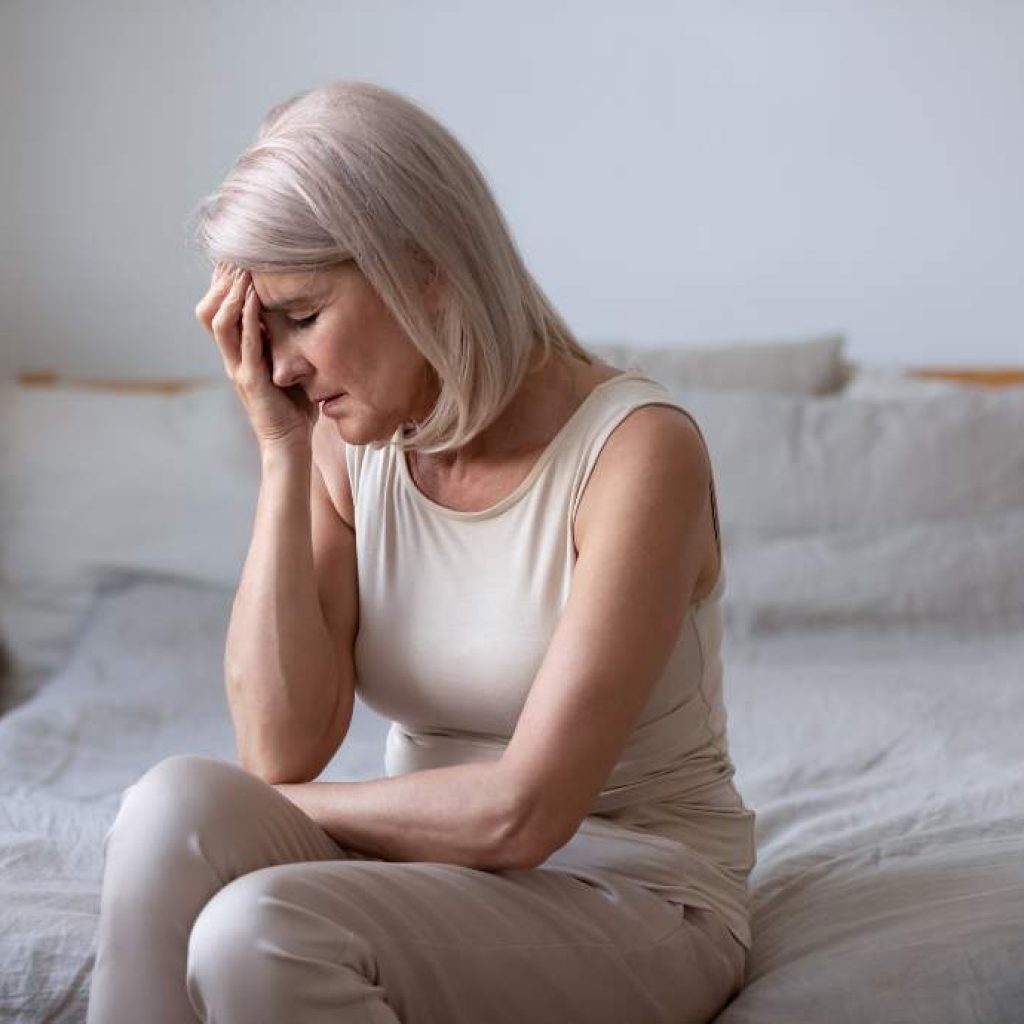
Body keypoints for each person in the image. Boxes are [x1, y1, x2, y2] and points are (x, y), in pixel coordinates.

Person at [85, 80, 756, 1024]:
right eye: (260, 329)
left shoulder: (638, 451)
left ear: (424, 268)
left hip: (637, 892)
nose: (280, 367)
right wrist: (281, 453)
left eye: (304, 317)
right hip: (435, 874)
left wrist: (307, 811)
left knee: (258, 927)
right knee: (171, 807)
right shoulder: (344, 444)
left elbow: (524, 813)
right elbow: (280, 746)